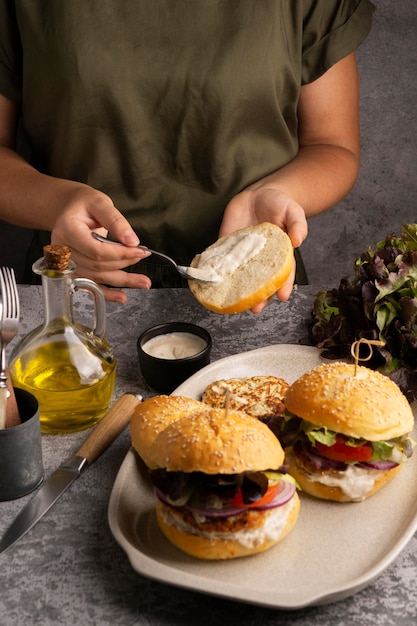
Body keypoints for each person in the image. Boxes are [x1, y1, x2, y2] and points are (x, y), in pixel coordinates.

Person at [0, 0, 375, 312]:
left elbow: (332, 145)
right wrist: (59, 204)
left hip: (252, 290)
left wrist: (275, 193)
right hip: (76, 294)